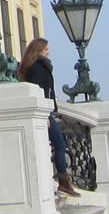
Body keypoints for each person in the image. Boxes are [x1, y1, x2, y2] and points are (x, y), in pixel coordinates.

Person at [19, 37, 78, 197]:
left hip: (46, 111)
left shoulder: (36, 66)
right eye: (46, 49)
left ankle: (62, 181)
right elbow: (39, 91)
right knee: (59, 144)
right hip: (44, 112)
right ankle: (63, 182)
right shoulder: (38, 68)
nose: (48, 52)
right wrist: (44, 114)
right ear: (38, 51)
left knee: (55, 144)